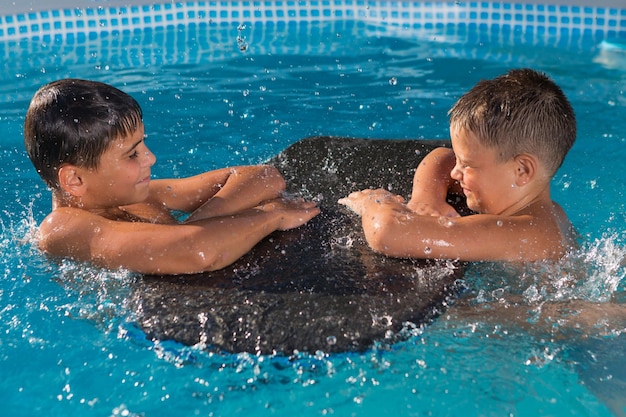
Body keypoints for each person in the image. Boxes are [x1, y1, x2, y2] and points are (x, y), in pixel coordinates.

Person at [24, 79, 319, 275]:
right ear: (74, 180)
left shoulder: (137, 195)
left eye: (143, 145)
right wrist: (269, 216)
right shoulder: (62, 230)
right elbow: (199, 251)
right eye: (132, 154)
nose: (150, 158)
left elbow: (265, 178)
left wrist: (202, 220)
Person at [339, 68, 577, 262]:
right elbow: (441, 157)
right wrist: (427, 198)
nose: (455, 172)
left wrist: (376, 203)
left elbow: (388, 233)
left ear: (522, 170)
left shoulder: (526, 236)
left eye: (467, 164)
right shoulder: (544, 211)